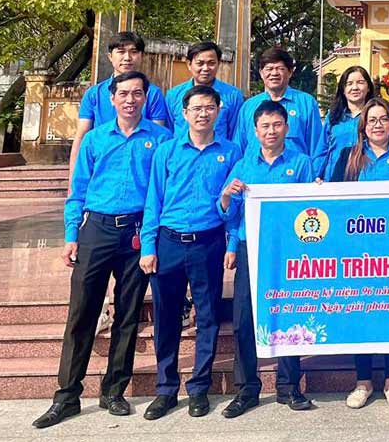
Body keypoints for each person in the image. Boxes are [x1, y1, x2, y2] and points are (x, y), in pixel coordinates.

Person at [32, 72, 172, 429]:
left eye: (137, 93)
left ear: (146, 98)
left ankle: (114, 391)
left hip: (136, 233)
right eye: (123, 93)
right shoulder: (95, 139)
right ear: (111, 99)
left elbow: (160, 196)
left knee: (127, 315)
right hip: (95, 229)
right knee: (82, 312)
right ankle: (66, 396)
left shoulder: (161, 140)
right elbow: (77, 190)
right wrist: (70, 235)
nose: (130, 99)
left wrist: (151, 241)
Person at [139, 85, 242, 420]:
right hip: (168, 242)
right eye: (196, 108)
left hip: (207, 242)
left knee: (208, 316)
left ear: (218, 111)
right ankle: (165, 389)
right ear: (184, 113)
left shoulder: (230, 152)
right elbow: (153, 201)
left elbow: (232, 206)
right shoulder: (167, 152)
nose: (203, 113)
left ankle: (199, 388)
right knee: (167, 317)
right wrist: (149, 245)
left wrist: (230, 245)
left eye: (209, 107)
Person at [218, 100, 315, 417]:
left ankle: (290, 387)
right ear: (255, 130)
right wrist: (227, 196)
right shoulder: (245, 165)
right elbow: (229, 214)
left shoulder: (301, 163)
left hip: (289, 252)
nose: (271, 131)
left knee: (288, 314)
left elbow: (311, 210)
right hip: (251, 248)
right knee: (244, 319)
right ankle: (246, 389)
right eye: (265, 126)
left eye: (277, 125)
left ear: (286, 128)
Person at [329, 97, 389, 409]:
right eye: (372, 121)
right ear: (363, 127)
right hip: (359, 251)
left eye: (383, 119)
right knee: (361, 312)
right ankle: (363, 380)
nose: (378, 125)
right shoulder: (349, 156)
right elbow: (335, 201)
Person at [69, 32, 169, 180]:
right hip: (101, 166)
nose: (127, 58)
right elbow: (81, 136)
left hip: (139, 171)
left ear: (141, 56)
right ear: (110, 56)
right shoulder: (94, 94)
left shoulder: (153, 94)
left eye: (133, 52)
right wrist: (72, 180)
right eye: (121, 52)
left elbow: (157, 138)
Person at [235, 47, 324, 158]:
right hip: (254, 173)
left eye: (280, 68)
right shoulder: (248, 107)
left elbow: (317, 149)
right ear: (261, 73)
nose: (274, 73)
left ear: (290, 72)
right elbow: (238, 148)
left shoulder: (306, 103)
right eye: (269, 69)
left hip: (294, 172)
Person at [166, 41, 243, 141]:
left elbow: (235, 134)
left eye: (211, 63)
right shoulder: (173, 95)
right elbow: (168, 132)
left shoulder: (233, 96)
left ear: (218, 64)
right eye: (200, 63)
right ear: (189, 64)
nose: (205, 68)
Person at [313, 65, 373, 180]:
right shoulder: (333, 116)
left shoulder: (375, 116)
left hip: (365, 177)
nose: (355, 87)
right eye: (349, 84)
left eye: (360, 82)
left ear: (368, 87)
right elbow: (322, 150)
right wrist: (317, 175)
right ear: (343, 90)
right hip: (334, 179)